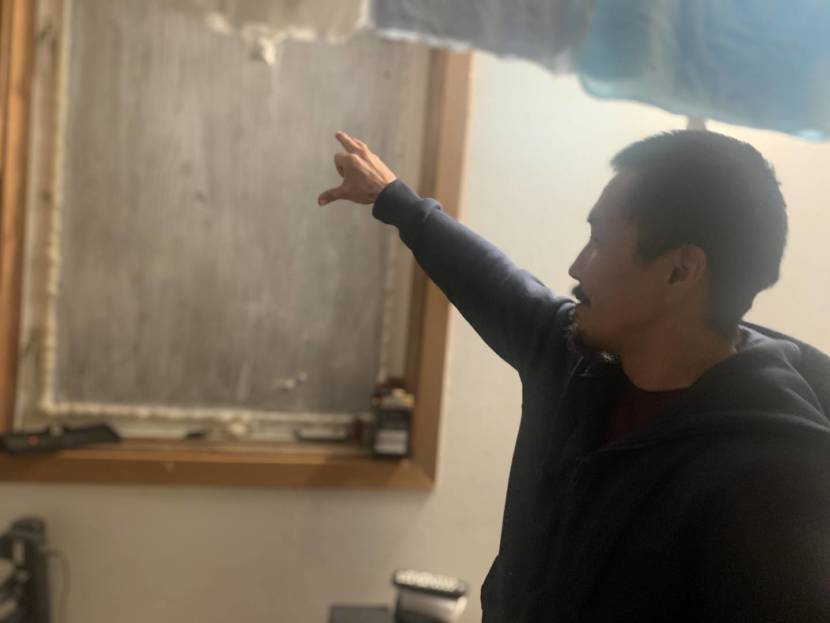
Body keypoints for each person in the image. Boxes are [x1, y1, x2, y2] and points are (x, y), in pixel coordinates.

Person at [318, 130, 830, 622]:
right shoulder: (575, 358)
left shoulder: (775, 480)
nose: (577, 267)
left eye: (599, 240)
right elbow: (493, 282)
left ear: (680, 270)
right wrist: (395, 200)